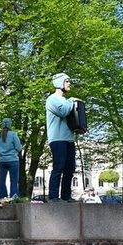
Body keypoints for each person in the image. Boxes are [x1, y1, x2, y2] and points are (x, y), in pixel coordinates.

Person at [45, 73, 77, 202]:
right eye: (67, 81)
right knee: (59, 166)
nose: (69, 84)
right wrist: (73, 101)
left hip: (69, 138)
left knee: (70, 168)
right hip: (57, 138)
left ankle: (66, 196)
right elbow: (63, 111)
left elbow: (71, 118)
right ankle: (53, 196)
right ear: (59, 83)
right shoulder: (52, 99)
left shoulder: (65, 100)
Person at [0, 118, 22, 199]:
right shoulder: (13, 134)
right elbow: (19, 148)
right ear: (10, 124)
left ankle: (1, 198)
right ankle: (14, 198)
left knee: (1, 180)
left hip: (1, 161)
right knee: (13, 181)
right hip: (13, 160)